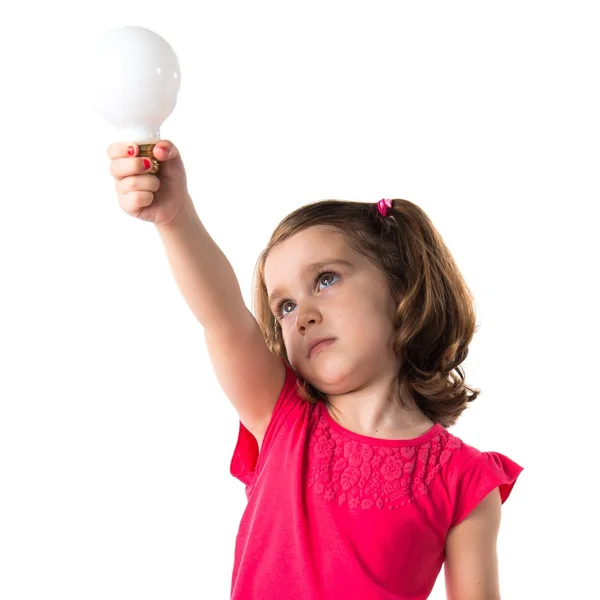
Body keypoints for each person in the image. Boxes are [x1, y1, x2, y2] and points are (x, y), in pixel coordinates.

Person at [107, 140, 523, 600]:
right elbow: (223, 319)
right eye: (284, 306)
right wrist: (175, 216)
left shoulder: (465, 480)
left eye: (325, 279)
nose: (301, 314)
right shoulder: (282, 416)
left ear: (401, 287)